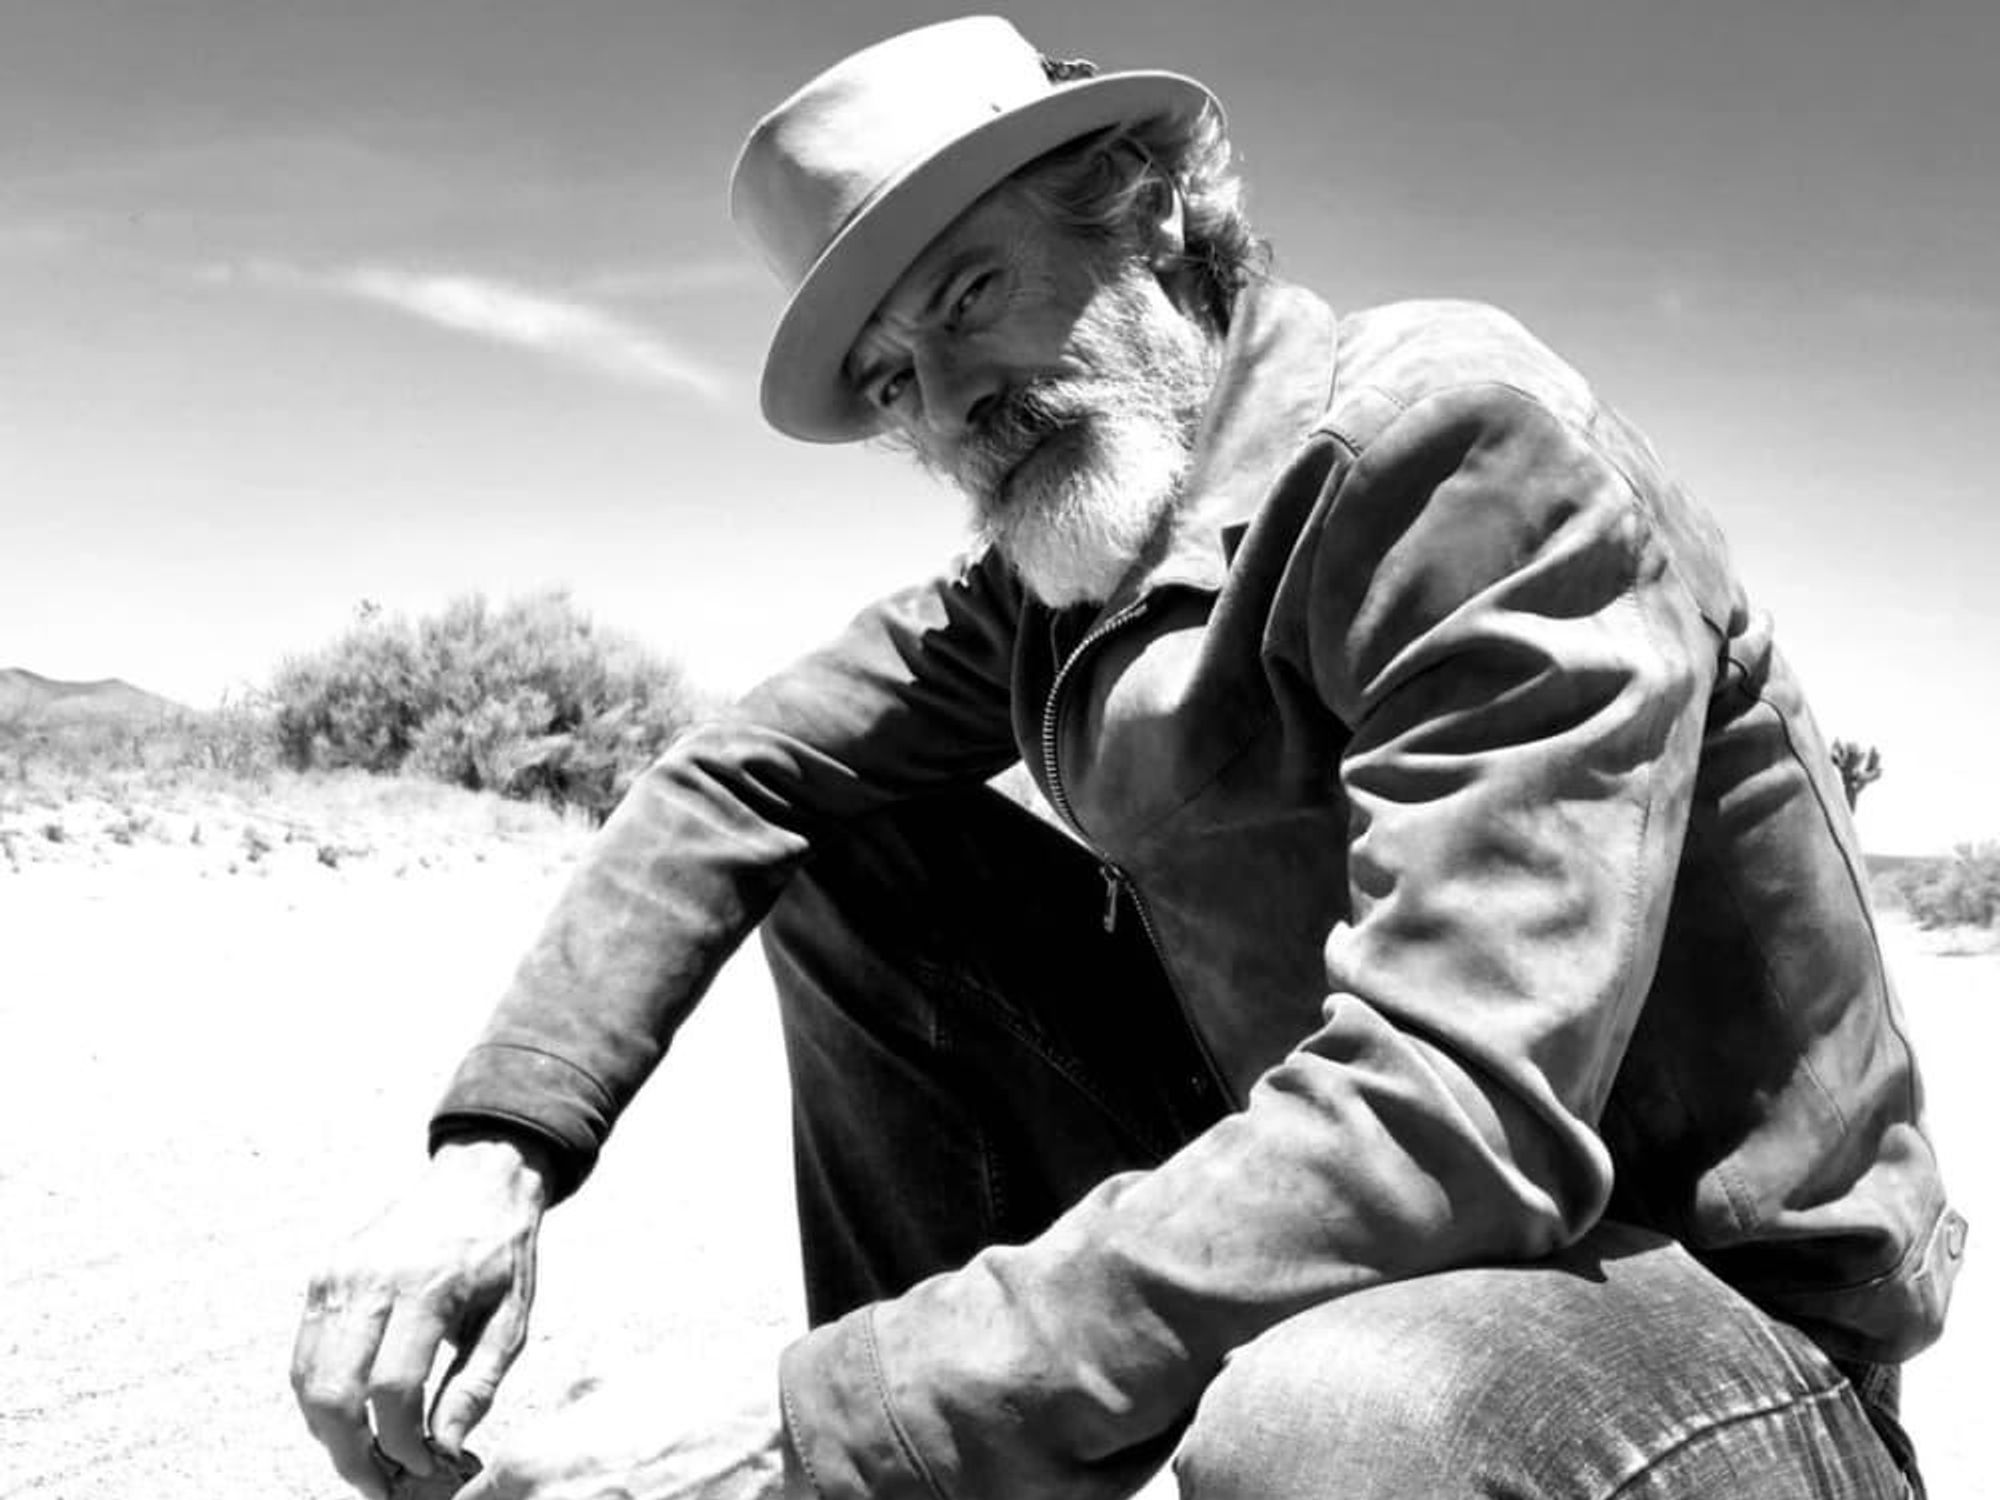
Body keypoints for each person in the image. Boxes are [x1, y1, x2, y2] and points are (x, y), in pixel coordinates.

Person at [292, 16, 1968, 1500]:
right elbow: (740, 775)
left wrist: (818, 1427)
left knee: (1338, 1416)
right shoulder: (1054, 565)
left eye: (969, 296)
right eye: (891, 378)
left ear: (1150, 205)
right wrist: (488, 1161)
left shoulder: (1450, 453)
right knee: (868, 857)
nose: (948, 405)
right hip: (1379, 1197)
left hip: (1713, 1325)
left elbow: (1456, 1126)